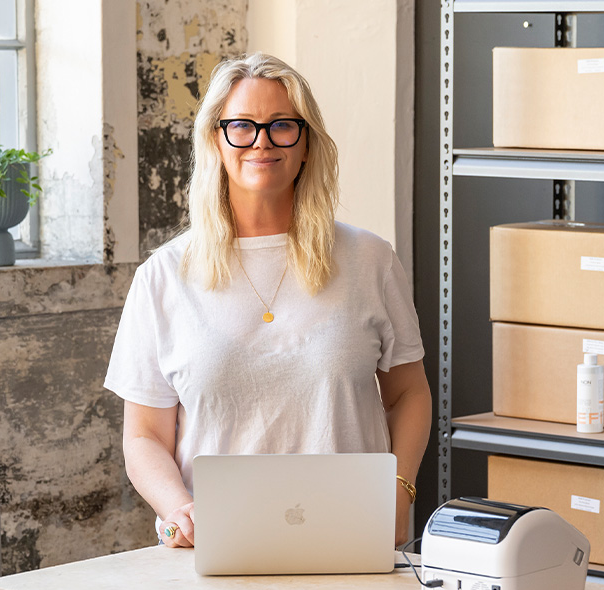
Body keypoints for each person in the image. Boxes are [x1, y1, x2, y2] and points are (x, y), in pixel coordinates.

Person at [103, 53, 430, 549]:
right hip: (218, 545)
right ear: (216, 138)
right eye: (242, 126)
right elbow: (145, 435)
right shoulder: (164, 277)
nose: (261, 141)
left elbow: (409, 394)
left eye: (281, 125)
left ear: (306, 144)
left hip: (351, 538)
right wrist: (177, 509)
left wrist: (401, 495)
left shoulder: (370, 259)